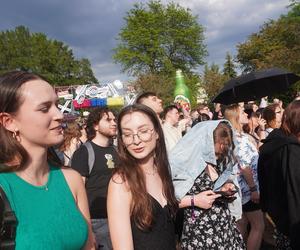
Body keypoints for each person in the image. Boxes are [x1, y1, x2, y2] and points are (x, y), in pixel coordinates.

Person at [0, 71, 94, 249]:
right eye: (44, 109)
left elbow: (89, 246)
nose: (59, 115)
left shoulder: (71, 179)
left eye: (57, 105)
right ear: (9, 121)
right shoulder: (4, 186)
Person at [107, 104, 178, 250]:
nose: (136, 140)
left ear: (157, 132)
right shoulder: (121, 182)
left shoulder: (162, 170)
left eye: (143, 131)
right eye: (127, 134)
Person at [169, 120, 244, 249]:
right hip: (200, 232)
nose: (217, 157)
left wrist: (226, 187)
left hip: (224, 227)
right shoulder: (182, 163)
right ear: (205, 143)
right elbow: (166, 201)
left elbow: (220, 183)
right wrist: (194, 200)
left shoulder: (221, 160)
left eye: (220, 154)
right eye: (214, 153)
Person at [71, 107, 118, 250]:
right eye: (108, 120)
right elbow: (77, 192)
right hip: (97, 220)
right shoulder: (84, 153)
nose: (114, 123)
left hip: (118, 216)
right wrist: (87, 228)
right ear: (96, 126)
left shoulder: (117, 150)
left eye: (114, 119)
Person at [258, 100, 300, 249]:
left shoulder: (273, 144)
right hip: (293, 227)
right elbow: (294, 195)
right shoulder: (291, 150)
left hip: (281, 221)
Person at [224, 104, 264, 250]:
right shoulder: (237, 139)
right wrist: (253, 189)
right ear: (235, 117)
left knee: (242, 224)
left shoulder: (239, 136)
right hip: (247, 189)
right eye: (243, 113)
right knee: (258, 226)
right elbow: (245, 167)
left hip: (243, 190)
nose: (247, 115)